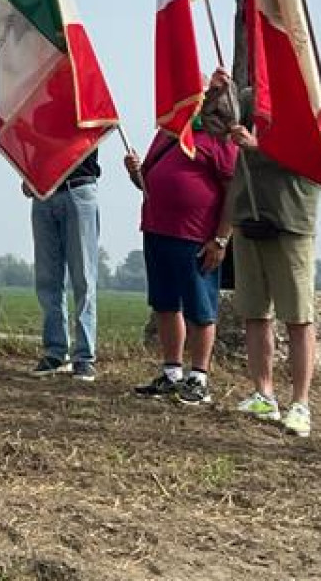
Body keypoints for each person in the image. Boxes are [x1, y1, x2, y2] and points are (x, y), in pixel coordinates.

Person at [125, 71, 239, 403]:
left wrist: (221, 239)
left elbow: (234, 192)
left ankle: (198, 377)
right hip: (157, 229)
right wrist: (135, 172)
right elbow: (148, 183)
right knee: (164, 303)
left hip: (196, 236)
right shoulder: (166, 133)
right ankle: (172, 372)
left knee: (200, 308)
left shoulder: (218, 138)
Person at [225, 94, 321, 437]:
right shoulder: (249, 97)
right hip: (248, 215)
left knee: (298, 316)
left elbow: (315, 154)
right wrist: (218, 95)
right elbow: (216, 126)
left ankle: (300, 404)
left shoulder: (313, 95)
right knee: (254, 312)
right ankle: (263, 394)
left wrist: (259, 147)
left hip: (291, 218)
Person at [25, 149, 103, 382]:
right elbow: (31, 144)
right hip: (43, 192)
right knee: (47, 278)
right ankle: (55, 351)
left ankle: (84, 357)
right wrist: (28, 175)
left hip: (78, 187)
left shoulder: (86, 120)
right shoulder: (36, 121)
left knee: (83, 277)